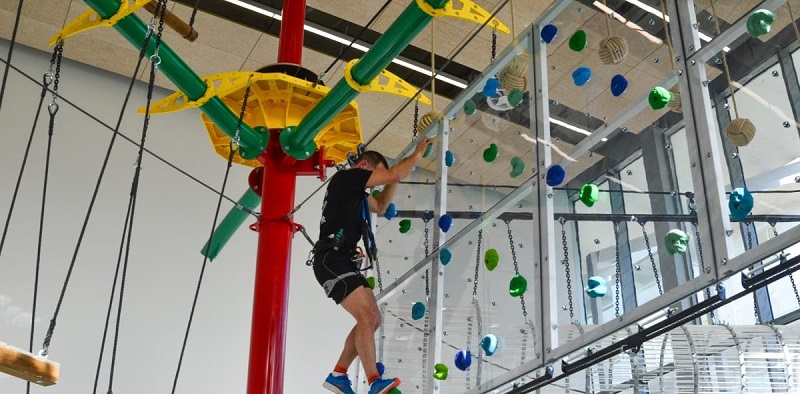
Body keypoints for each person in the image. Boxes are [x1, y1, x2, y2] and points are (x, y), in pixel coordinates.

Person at [314, 137, 431, 394]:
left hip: (341, 260)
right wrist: (417, 154)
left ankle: (339, 374)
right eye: (377, 176)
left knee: (373, 319)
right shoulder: (346, 178)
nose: (377, 181)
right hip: (331, 258)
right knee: (366, 316)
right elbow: (396, 173)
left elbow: (380, 205)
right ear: (364, 166)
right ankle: (374, 381)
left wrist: (394, 179)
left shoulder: (354, 194)